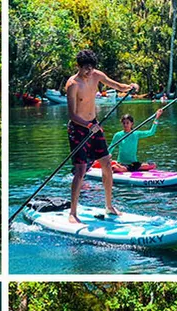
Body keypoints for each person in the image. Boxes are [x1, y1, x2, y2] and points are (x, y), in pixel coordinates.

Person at [64, 50, 138, 223]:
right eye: (85, 69)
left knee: (107, 162)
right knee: (81, 170)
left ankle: (109, 205)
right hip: (78, 128)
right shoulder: (73, 84)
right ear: (78, 66)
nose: (89, 72)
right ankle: (73, 212)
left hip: (94, 126)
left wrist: (130, 87)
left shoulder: (97, 75)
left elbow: (118, 86)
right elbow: (72, 115)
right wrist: (90, 126)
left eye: (91, 68)